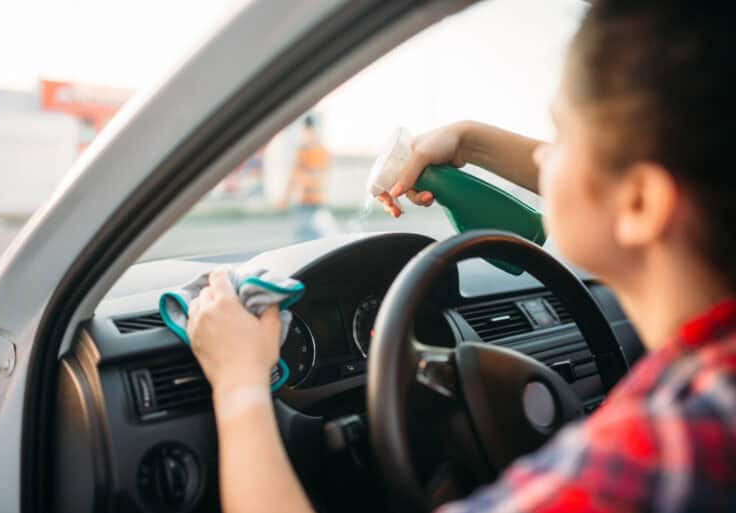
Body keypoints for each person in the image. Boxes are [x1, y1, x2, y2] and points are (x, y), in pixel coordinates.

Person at [186, 1, 736, 512]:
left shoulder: (650, 456)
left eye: (562, 138)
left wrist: (239, 386)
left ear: (640, 203)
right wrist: (469, 141)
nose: (544, 156)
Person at [278, 115, 331, 241]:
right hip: (318, 198)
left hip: (305, 198)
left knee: (302, 236)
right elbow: (323, 174)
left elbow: (294, 175)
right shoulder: (322, 149)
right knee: (316, 234)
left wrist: (285, 198)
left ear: (305, 129)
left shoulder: (304, 149)